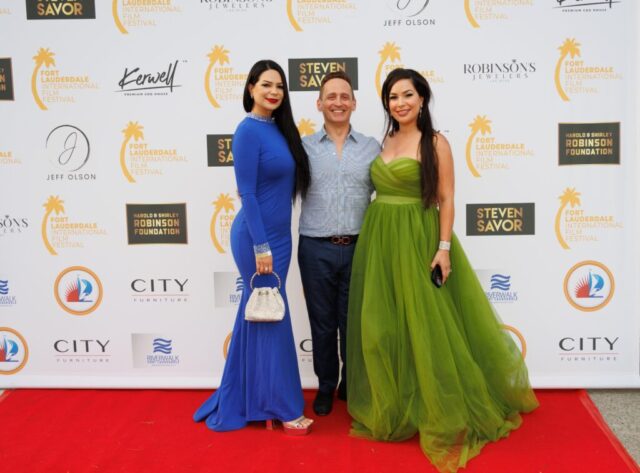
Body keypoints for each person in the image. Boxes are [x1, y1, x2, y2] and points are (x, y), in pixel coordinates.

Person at [346, 68, 539, 472]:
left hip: (417, 238)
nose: (400, 103)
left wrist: (443, 249)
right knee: (385, 325)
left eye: (407, 95)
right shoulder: (385, 140)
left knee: (427, 325)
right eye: (393, 97)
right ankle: (396, 401)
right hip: (380, 240)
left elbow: (447, 198)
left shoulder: (436, 143)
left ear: (422, 99)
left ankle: (437, 405)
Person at [194, 59, 313, 435]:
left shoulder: (281, 129)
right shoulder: (246, 131)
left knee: (261, 314)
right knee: (272, 317)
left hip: (281, 237)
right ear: (250, 88)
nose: (274, 92)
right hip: (256, 238)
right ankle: (281, 406)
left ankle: (246, 397)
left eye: (279, 86)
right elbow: (246, 192)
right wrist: (261, 246)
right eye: (266, 85)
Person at [298, 71, 380, 416]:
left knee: (353, 323)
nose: (338, 102)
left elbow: (391, 191)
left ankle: (350, 382)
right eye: (330, 96)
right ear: (319, 104)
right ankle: (326, 385)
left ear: (354, 103)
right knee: (322, 323)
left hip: (360, 247)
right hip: (315, 247)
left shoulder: (373, 147)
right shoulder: (302, 148)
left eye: (344, 96)